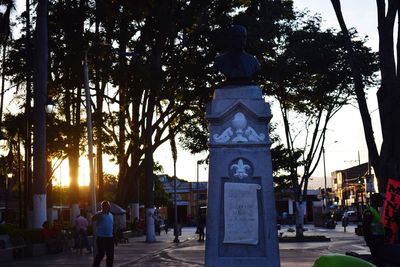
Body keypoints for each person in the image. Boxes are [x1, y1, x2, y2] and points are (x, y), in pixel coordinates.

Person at [362, 193, 385, 267]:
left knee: (380, 260)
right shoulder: (369, 212)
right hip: (374, 241)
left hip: (379, 240)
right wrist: (370, 241)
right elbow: (366, 229)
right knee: (378, 261)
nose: (383, 202)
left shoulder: (377, 211)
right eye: (381, 200)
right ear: (376, 201)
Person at [92, 201, 114, 267]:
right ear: (103, 207)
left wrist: (114, 236)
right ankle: (95, 265)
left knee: (110, 255)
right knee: (101, 254)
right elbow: (93, 219)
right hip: (101, 237)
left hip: (110, 237)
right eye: (107, 206)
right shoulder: (100, 214)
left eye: (109, 205)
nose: (109, 207)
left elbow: (112, 226)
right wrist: (101, 213)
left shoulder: (111, 215)